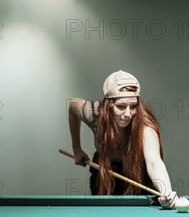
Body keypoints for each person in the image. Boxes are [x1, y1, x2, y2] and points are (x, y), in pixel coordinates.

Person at [68, 70, 179, 209]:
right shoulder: (94, 113)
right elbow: (72, 106)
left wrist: (166, 191)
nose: (128, 114)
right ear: (108, 104)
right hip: (105, 169)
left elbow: (154, 162)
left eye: (133, 106)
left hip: (137, 172)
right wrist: (76, 149)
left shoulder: (145, 126)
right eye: (121, 106)